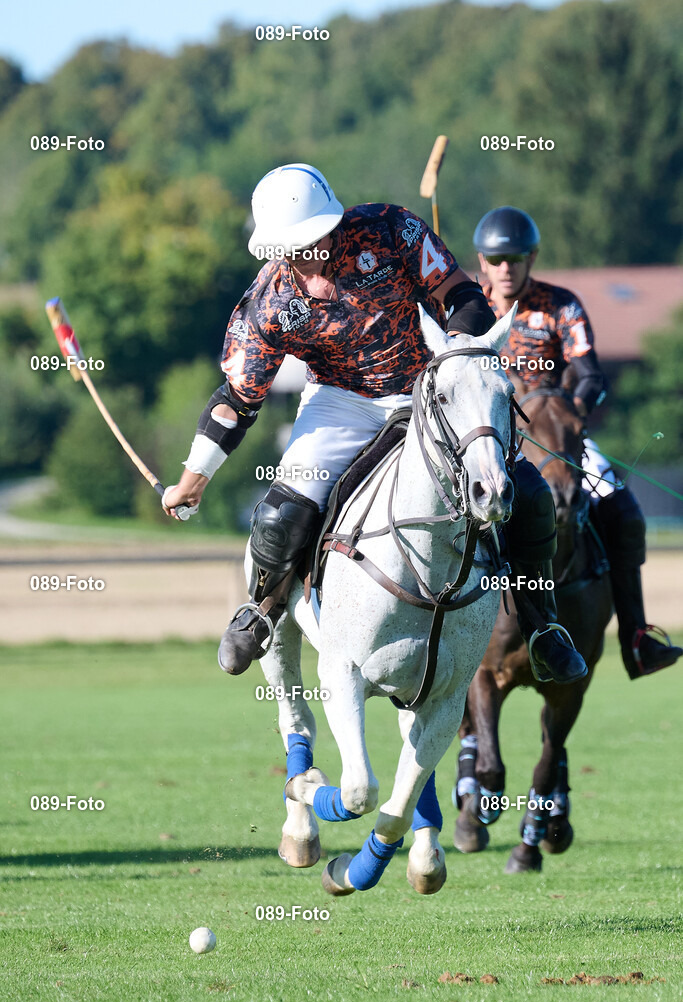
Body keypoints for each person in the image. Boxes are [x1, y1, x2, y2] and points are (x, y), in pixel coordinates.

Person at [162, 164, 588, 685]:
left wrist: (455, 358)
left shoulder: (391, 230)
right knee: (282, 513)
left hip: (425, 384)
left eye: (316, 237)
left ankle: (543, 625)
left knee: (528, 491)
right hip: (340, 401)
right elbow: (237, 399)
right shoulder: (268, 303)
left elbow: (463, 297)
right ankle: (262, 608)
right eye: (294, 245)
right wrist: (193, 480)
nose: (309, 253)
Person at [473, 205, 681, 679]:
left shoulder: (561, 305)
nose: (507, 267)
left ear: (532, 257)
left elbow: (590, 375)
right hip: (486, 440)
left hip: (555, 440)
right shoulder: (470, 309)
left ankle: (636, 639)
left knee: (622, 507)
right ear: (482, 261)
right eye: (497, 258)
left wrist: (570, 418)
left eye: (517, 257)